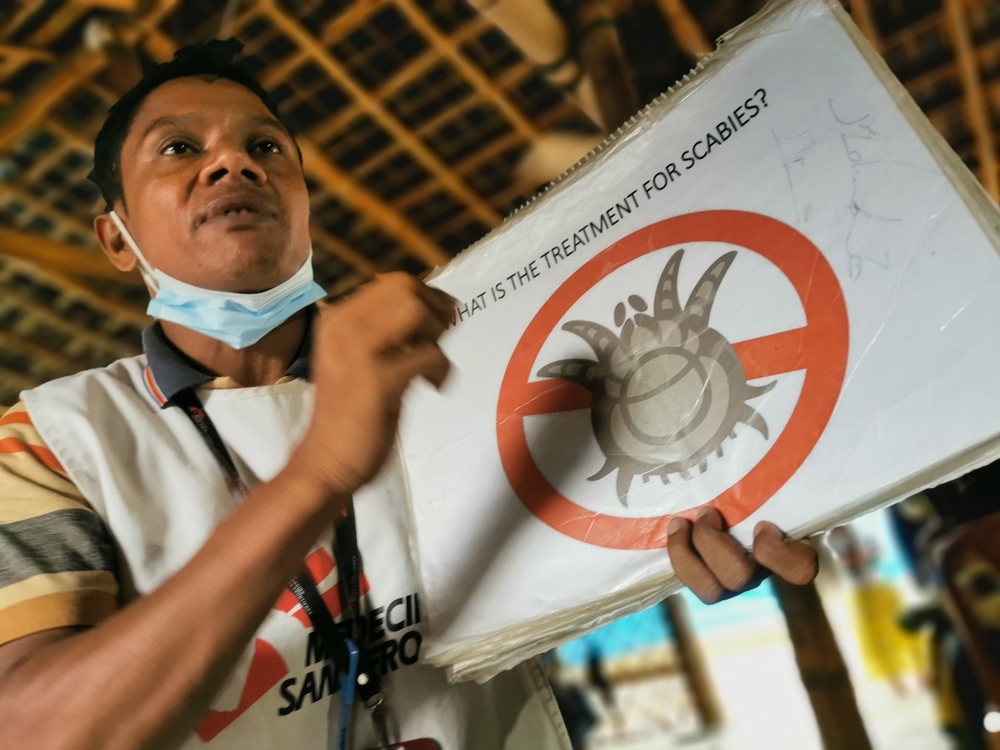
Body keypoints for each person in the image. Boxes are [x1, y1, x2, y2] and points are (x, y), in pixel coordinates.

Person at [0, 40, 816, 749]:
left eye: (267, 148)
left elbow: (577, 552)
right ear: (117, 236)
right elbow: (37, 733)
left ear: (303, 201)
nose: (232, 162)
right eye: (178, 149)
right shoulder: (51, 438)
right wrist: (320, 470)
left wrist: (694, 537)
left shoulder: (453, 368)